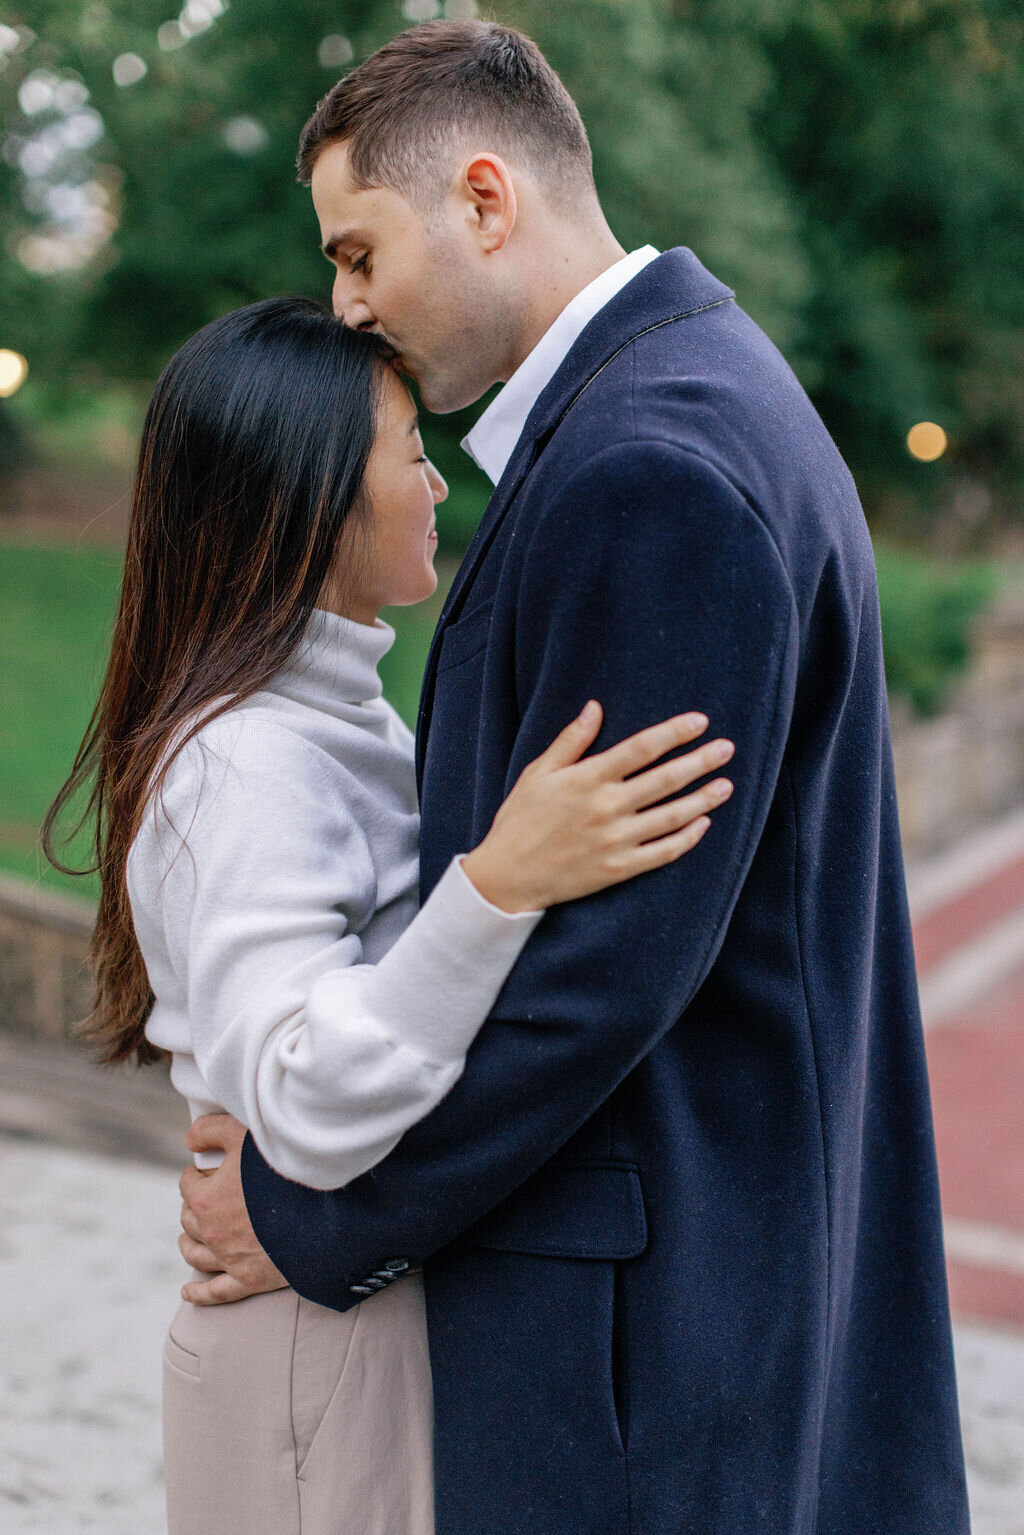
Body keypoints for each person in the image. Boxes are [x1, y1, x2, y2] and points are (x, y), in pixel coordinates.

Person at [178, 19, 970, 1535]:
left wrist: (312, 1214)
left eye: (360, 253)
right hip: (703, 1289)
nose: (347, 309)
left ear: (485, 201)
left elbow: (596, 984)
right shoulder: (692, 396)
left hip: (647, 1340)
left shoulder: (645, 467)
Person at [44, 296, 732, 1534]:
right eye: (407, 448)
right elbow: (304, 1092)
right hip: (315, 1351)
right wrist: (499, 882)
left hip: (336, 1315)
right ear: (310, 497)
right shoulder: (250, 759)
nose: (434, 481)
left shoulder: (334, 722)